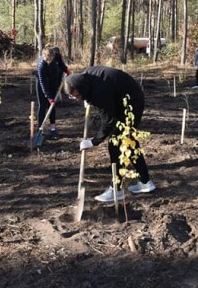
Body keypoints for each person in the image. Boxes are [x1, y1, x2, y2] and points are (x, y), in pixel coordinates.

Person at [64, 66, 155, 203]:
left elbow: (109, 121)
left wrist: (94, 141)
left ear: (83, 88)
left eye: (78, 95)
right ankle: (145, 182)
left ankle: (116, 190)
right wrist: (86, 100)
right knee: (129, 143)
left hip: (131, 103)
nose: (77, 99)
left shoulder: (100, 91)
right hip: (123, 97)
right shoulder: (86, 79)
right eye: (74, 97)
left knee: (115, 143)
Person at [36, 46, 71, 139]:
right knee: (43, 105)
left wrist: (66, 70)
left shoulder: (57, 56)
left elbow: (61, 64)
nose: (49, 62)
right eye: (47, 60)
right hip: (42, 84)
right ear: (43, 56)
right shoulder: (41, 66)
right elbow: (43, 83)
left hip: (54, 81)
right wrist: (48, 97)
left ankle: (53, 128)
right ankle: (41, 129)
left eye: (50, 59)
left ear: (53, 56)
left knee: (52, 106)